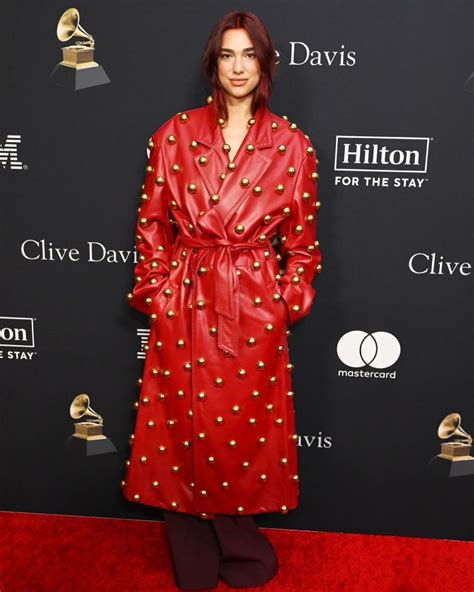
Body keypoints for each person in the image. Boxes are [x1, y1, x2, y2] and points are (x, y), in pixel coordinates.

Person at [122, 10, 322, 590]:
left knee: (246, 430)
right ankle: (191, 553)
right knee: (178, 427)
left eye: (249, 56)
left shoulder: (291, 144)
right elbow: (152, 228)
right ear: (214, 63)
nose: (238, 67)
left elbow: (303, 245)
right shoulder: (174, 133)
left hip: (254, 304)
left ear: (265, 65)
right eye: (228, 55)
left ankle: (240, 545)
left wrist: (285, 301)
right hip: (186, 299)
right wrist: (159, 294)